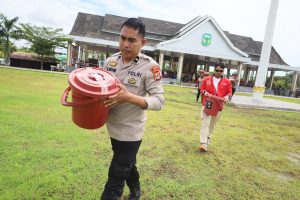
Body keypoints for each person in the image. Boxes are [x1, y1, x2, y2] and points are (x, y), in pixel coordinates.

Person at [101, 18, 164, 200]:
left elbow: (159, 101)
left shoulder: (150, 67)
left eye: (132, 40)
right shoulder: (110, 62)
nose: (125, 44)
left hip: (132, 132)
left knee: (116, 176)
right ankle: (136, 190)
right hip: (113, 127)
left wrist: (129, 97)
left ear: (143, 42)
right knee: (128, 165)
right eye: (122, 38)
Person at [199, 63, 232, 152]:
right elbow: (202, 89)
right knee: (205, 122)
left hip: (218, 105)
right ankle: (203, 143)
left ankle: (208, 137)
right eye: (217, 70)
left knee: (212, 124)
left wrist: (227, 97)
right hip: (208, 103)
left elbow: (229, 93)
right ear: (214, 70)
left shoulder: (227, 82)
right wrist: (205, 92)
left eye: (221, 71)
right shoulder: (207, 79)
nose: (219, 72)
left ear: (223, 71)